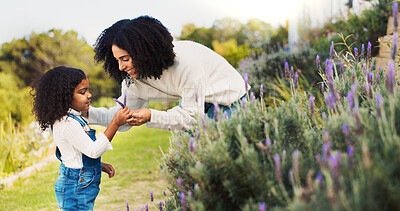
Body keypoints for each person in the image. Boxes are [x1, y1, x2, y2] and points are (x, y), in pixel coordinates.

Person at [89, 15, 249, 131]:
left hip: (229, 100)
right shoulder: (133, 80)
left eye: (125, 59)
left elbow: (191, 118)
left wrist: (151, 115)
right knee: (186, 157)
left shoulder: (186, 64)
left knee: (213, 159)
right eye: (117, 60)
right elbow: (122, 119)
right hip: (192, 103)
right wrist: (83, 113)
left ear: (143, 52)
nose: (120, 67)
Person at [31, 66, 131, 210]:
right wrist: (115, 122)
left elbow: (76, 153)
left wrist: (98, 165)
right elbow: (93, 150)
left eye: (88, 90)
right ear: (64, 96)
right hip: (76, 184)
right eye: (82, 92)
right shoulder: (67, 123)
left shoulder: (72, 118)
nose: (89, 95)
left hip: (79, 180)